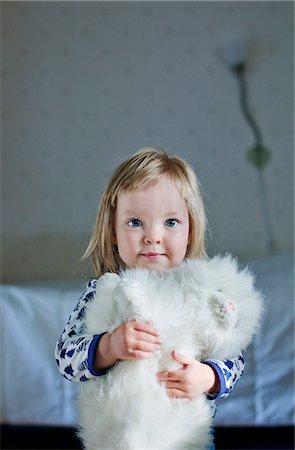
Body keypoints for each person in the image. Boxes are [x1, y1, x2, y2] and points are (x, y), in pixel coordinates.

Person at [55, 147, 245, 448]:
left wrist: (207, 377)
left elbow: (233, 359)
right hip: (119, 437)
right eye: (135, 222)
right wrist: (109, 345)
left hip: (183, 436)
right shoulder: (104, 291)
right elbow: (66, 359)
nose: (153, 236)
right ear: (114, 232)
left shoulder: (200, 294)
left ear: (190, 229)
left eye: (170, 222)